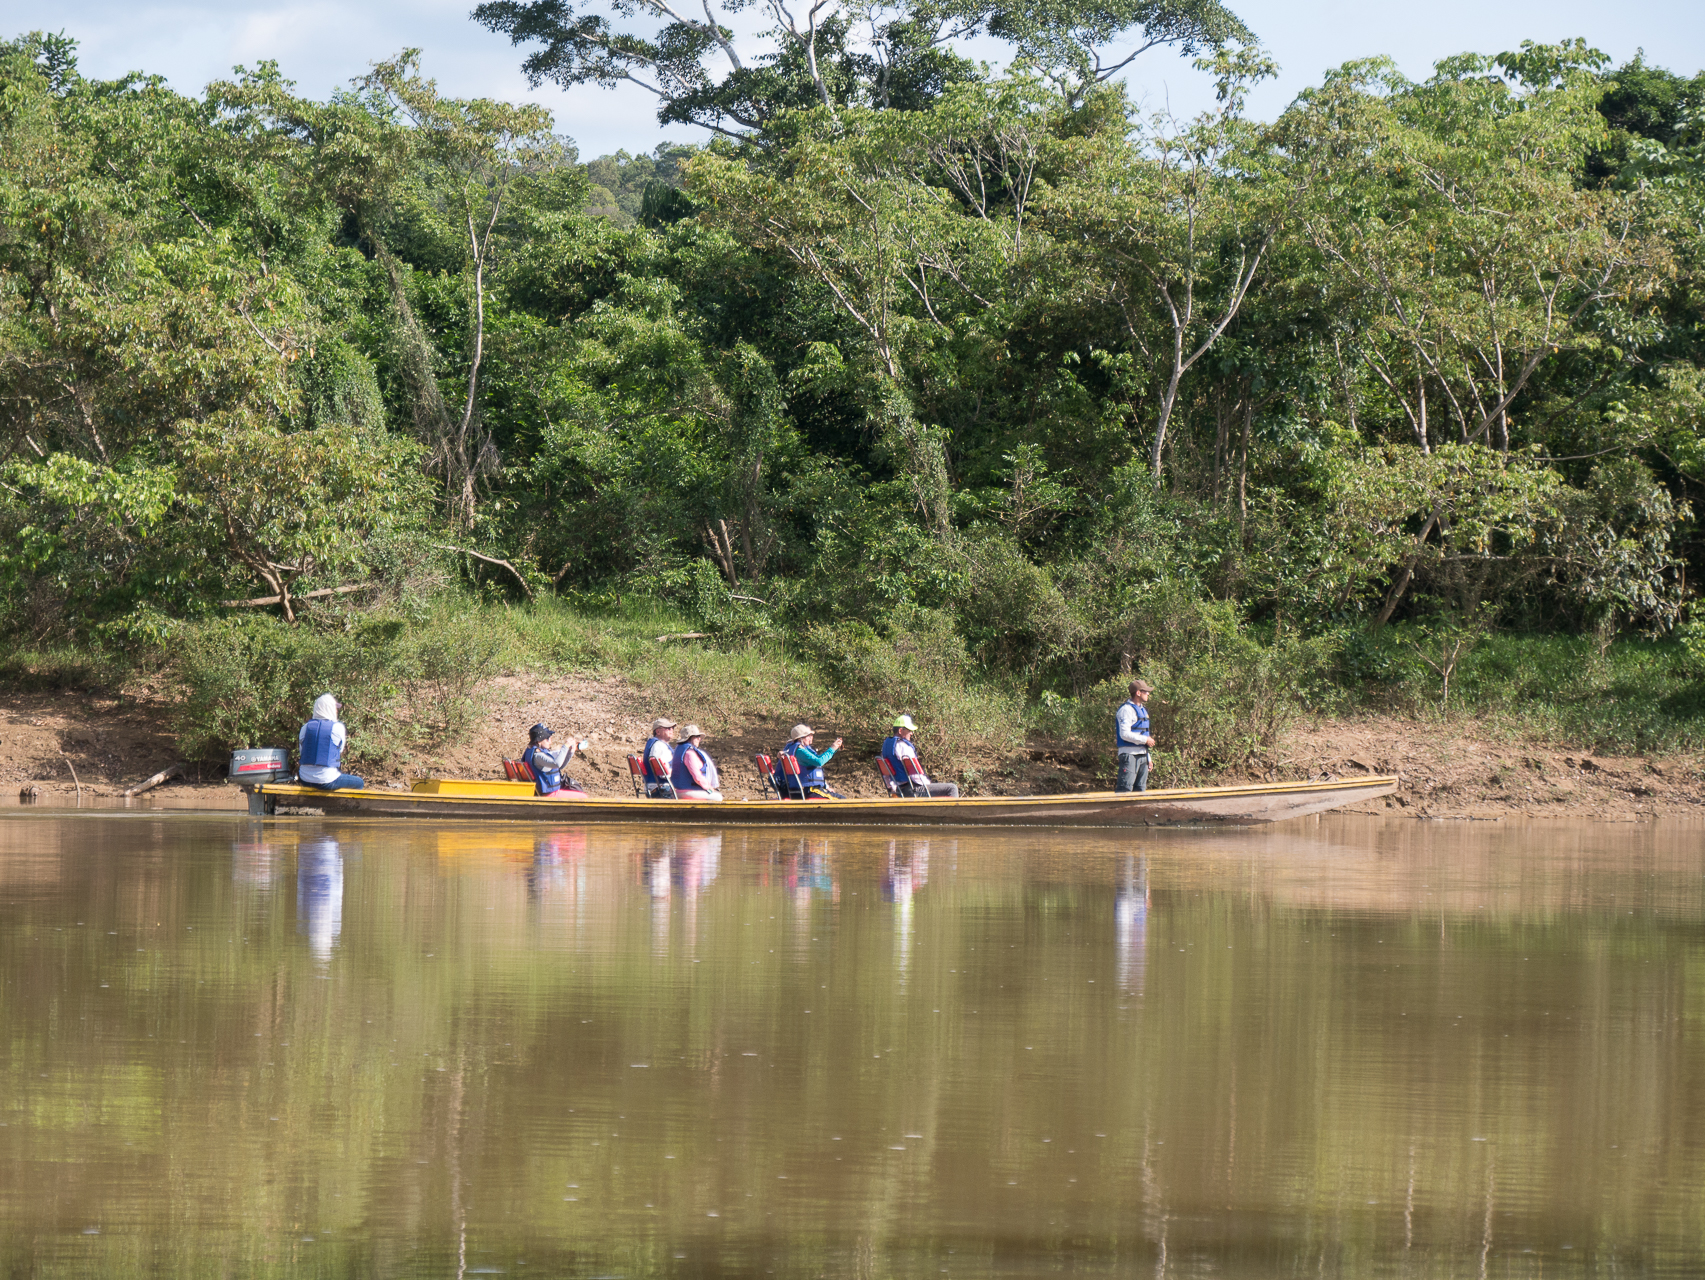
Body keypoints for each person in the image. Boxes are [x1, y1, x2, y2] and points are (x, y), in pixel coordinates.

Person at [879, 714, 959, 798]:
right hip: (912, 790)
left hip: (899, 791)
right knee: (952, 788)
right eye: (909, 730)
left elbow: (886, 775)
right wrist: (928, 784)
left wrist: (892, 787)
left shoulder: (886, 746)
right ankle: (954, 811)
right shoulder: (904, 747)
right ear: (900, 730)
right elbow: (915, 775)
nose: (912, 733)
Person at [297, 693, 364, 791]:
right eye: (334, 708)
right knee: (359, 782)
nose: (336, 711)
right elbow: (339, 751)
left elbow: (302, 751)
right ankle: (344, 806)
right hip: (326, 780)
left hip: (304, 778)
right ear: (330, 709)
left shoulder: (305, 727)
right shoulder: (338, 727)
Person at [776, 724, 845, 799]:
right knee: (842, 799)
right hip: (810, 790)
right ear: (800, 738)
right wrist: (832, 748)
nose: (811, 737)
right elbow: (819, 761)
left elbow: (818, 759)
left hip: (804, 789)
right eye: (808, 735)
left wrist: (834, 748)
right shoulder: (800, 751)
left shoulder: (794, 748)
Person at [521, 723, 588, 798]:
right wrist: (565, 746)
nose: (550, 742)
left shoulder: (534, 752)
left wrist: (570, 751)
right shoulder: (538, 756)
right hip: (549, 794)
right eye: (547, 739)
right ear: (539, 741)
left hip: (545, 792)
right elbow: (557, 764)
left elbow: (560, 766)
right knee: (583, 797)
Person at [1115, 679, 1156, 793]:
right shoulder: (1126, 710)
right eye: (1145, 691)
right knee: (1125, 789)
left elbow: (1144, 733)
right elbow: (1124, 734)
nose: (1148, 693)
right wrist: (1145, 740)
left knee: (1140, 790)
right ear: (1138, 693)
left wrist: (1148, 758)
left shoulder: (1142, 709)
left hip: (1143, 755)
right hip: (1129, 755)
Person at [670, 724, 724, 801]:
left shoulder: (679, 749)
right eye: (697, 736)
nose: (699, 739)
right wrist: (709, 788)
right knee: (718, 797)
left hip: (679, 790)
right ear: (690, 738)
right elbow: (697, 777)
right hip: (686, 791)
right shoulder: (689, 753)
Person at [643, 718, 677, 797]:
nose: (671, 730)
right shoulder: (659, 746)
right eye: (668, 728)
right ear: (658, 731)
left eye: (672, 728)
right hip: (661, 788)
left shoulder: (655, 744)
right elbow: (663, 773)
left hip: (656, 786)